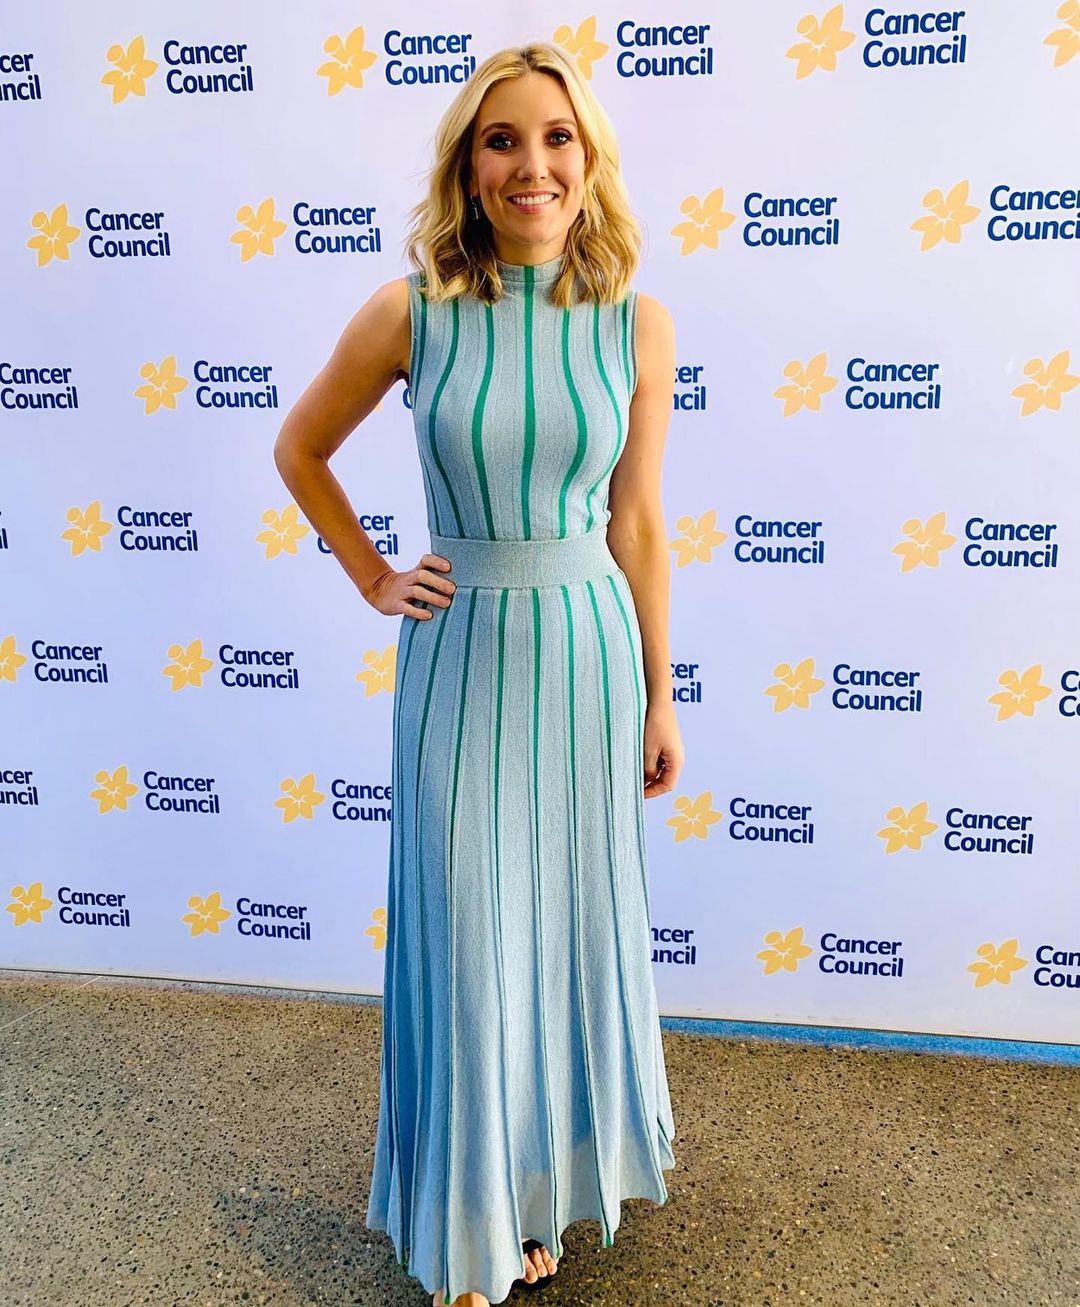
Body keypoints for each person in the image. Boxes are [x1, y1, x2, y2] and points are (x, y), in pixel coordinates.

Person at [274, 40, 684, 1307]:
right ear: (468, 164)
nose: (531, 164)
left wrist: (662, 692)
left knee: (564, 929)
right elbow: (301, 448)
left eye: (557, 138)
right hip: (460, 660)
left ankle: (542, 1192)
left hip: (588, 656)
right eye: (502, 139)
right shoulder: (413, 312)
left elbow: (638, 522)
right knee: (467, 938)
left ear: (589, 160)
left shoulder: (636, 321)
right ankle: (467, 1220)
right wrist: (372, 575)